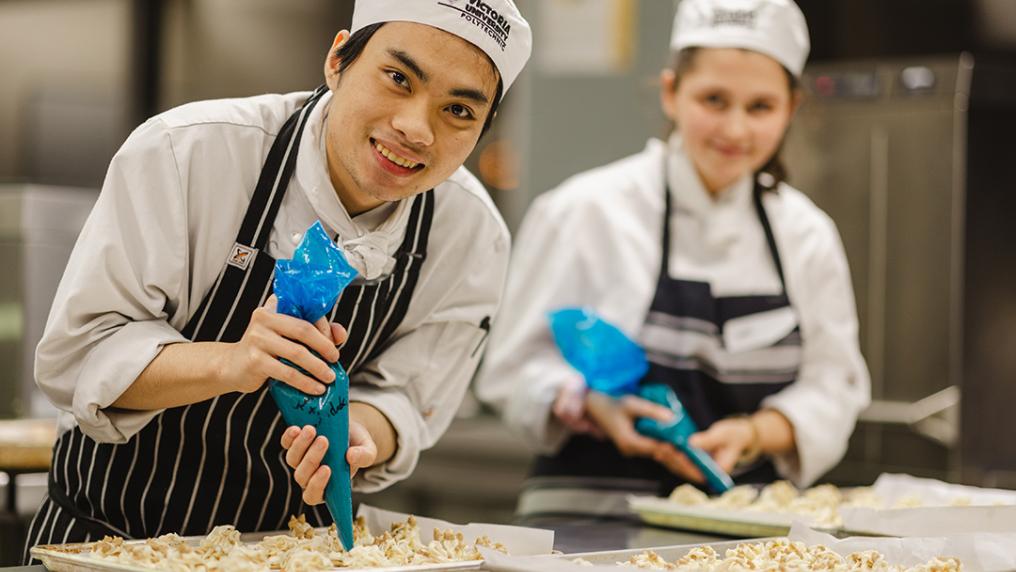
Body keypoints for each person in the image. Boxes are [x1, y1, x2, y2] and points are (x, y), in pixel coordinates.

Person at [24, 0, 532, 558]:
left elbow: (408, 397)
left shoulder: (469, 233)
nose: (415, 128)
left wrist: (360, 434)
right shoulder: (189, 152)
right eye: (397, 78)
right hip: (113, 541)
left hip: (300, 554)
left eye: (458, 110)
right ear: (337, 59)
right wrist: (234, 361)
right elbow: (78, 356)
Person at [476, 0, 869, 519]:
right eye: (714, 99)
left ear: (790, 109)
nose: (735, 129)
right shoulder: (586, 211)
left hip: (743, 529)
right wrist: (592, 404)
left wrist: (753, 434)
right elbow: (510, 370)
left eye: (760, 107)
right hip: (584, 523)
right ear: (671, 93)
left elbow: (835, 385)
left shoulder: (806, 234)